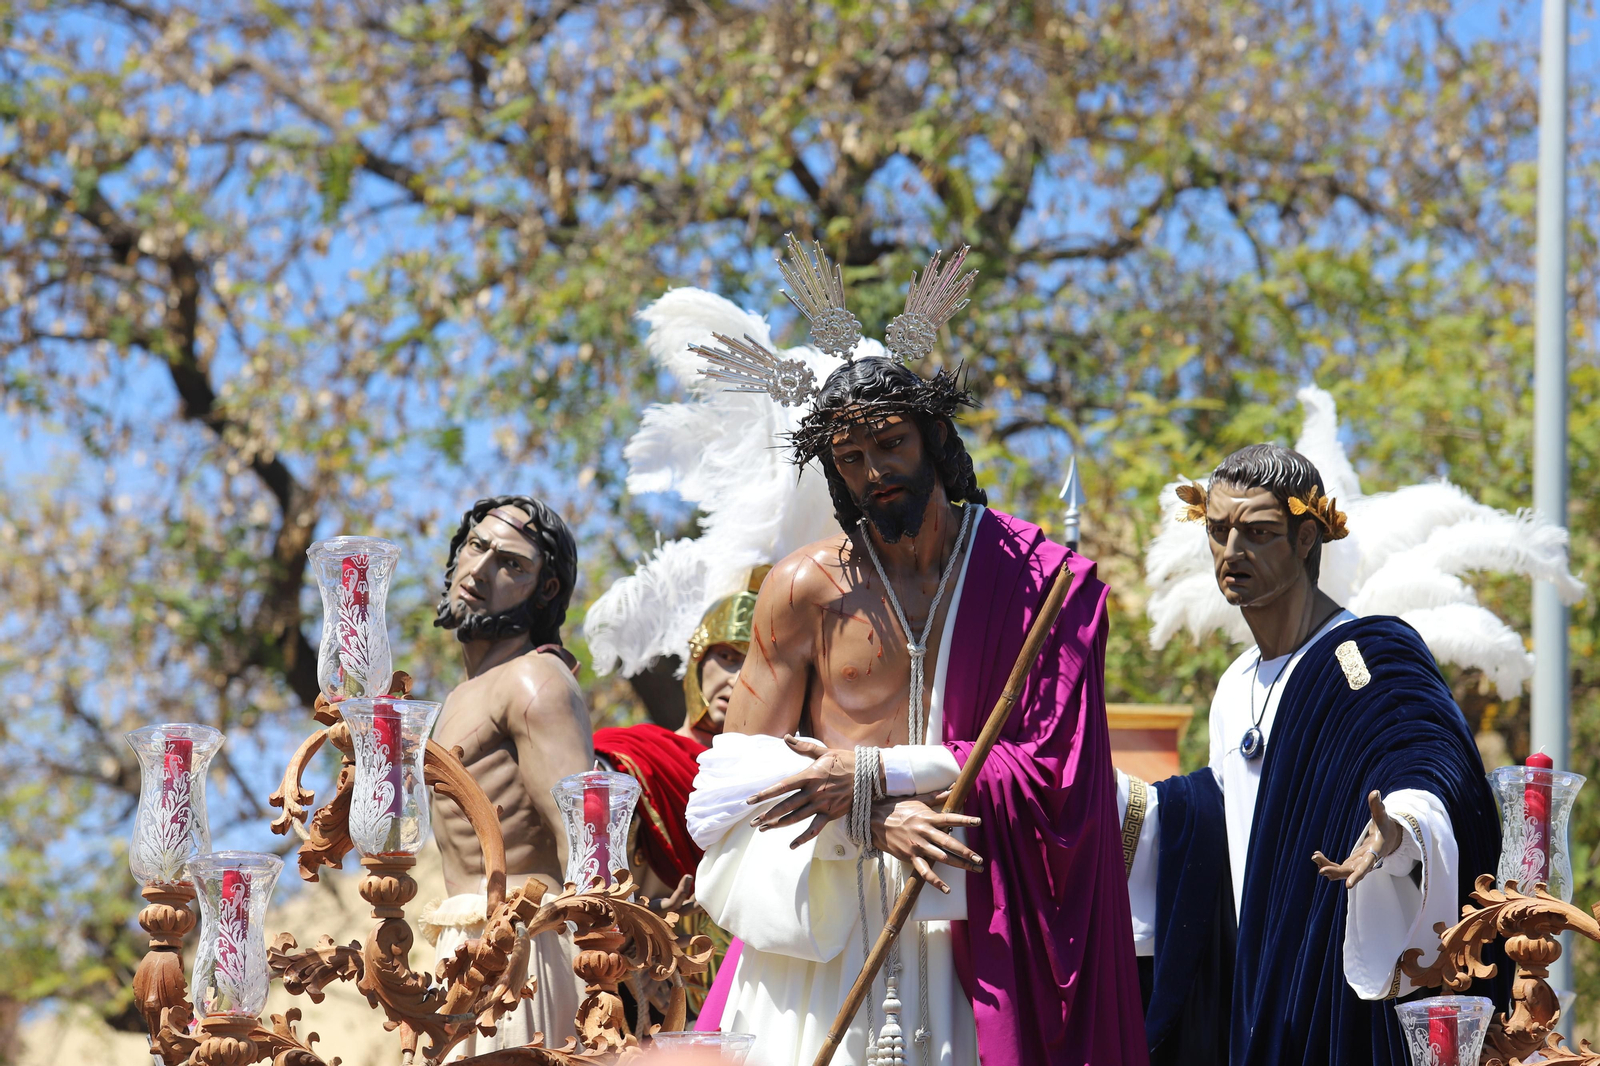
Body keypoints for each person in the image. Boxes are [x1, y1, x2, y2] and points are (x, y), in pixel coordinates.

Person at [683, 239, 1148, 1066]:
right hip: (830, 922)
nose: (875, 472)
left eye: (891, 444)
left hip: (982, 917)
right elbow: (725, 787)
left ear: (933, 436)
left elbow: (1057, 768)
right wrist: (871, 817)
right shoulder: (803, 590)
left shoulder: (1040, 582)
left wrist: (870, 774)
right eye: (851, 459)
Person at [1123, 444, 1504, 1066]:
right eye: (1218, 531)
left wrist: (1402, 825)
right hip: (1259, 981)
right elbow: (1226, 819)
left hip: (1336, 976)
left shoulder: (1361, 656)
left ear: (1306, 538)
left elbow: (1423, 747)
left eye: (1259, 532)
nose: (1231, 551)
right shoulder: (1233, 684)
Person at [418, 495, 595, 1057]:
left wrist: (603, 984)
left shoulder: (533, 680)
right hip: (461, 950)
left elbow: (585, 848)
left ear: (545, 590)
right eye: (476, 546)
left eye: (511, 563)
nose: (481, 570)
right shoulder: (457, 698)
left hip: (527, 954)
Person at [591, 571, 763, 1018]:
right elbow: (584, 868)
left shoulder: (787, 778)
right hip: (636, 986)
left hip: (753, 991)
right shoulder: (632, 756)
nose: (740, 676)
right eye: (726, 656)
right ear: (697, 661)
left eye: (758, 662)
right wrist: (629, 915)